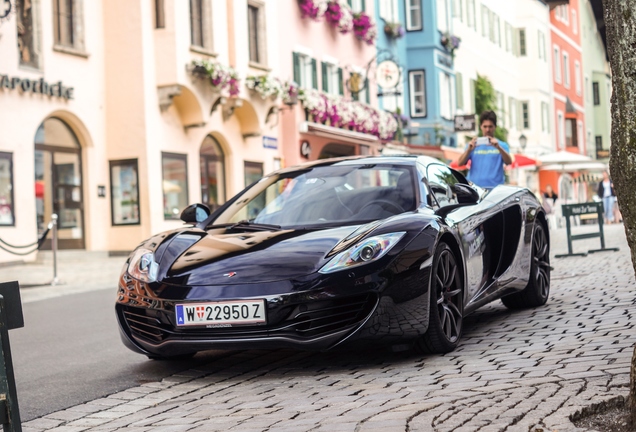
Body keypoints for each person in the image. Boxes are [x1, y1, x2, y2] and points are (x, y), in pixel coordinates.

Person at [457, 110, 513, 189]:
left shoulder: (502, 145)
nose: (487, 130)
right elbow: (460, 163)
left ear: (495, 127)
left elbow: (509, 162)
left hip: (495, 189)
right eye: (485, 126)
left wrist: (499, 148)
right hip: (475, 189)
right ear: (481, 127)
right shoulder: (473, 144)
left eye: (490, 126)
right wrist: (469, 149)